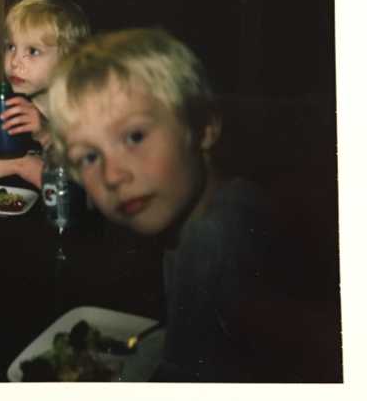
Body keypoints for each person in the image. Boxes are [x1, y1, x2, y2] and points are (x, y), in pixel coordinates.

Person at [47, 28, 270, 381]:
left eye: (134, 136)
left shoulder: (215, 238)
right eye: (89, 156)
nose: (112, 175)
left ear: (203, 127)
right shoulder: (197, 220)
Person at [0, 0, 90, 189]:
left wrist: (44, 133)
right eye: (11, 47)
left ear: (68, 60)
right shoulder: (3, 105)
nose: (14, 62)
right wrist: (20, 165)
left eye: (32, 51)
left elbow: (92, 183)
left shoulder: (86, 108)